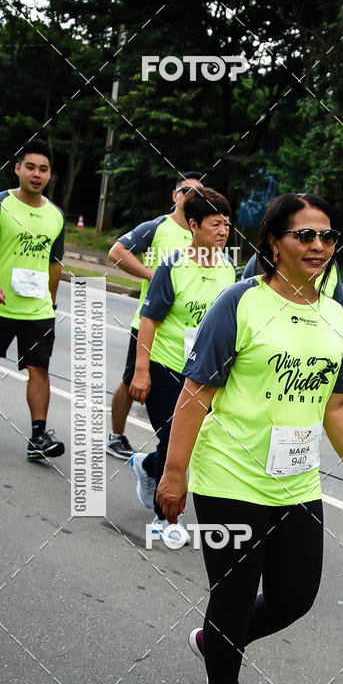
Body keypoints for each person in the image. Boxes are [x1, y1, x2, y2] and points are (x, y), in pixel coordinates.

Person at [156, 193, 343, 684]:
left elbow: (338, 405)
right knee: (232, 600)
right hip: (229, 477)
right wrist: (175, 472)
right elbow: (195, 394)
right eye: (305, 235)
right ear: (274, 243)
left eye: (328, 237)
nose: (318, 246)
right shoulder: (241, 304)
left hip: (297, 482)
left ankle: (215, 643)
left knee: (294, 597)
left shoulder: (335, 313)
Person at [128, 187, 235, 544]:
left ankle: (147, 465)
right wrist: (141, 370)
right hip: (165, 366)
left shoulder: (228, 269)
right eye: (215, 224)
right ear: (194, 225)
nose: (223, 231)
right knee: (175, 439)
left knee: (178, 442)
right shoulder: (173, 266)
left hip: (203, 374)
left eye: (227, 224)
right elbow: (149, 319)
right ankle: (165, 520)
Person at [105, 172, 204, 460]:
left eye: (200, 192)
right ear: (175, 196)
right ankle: (116, 436)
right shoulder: (158, 227)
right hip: (150, 322)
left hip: (189, 329)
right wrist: (154, 275)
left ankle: (173, 449)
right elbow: (117, 251)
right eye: (187, 190)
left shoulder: (205, 232)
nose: (193, 196)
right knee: (131, 379)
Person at [0, 139, 65, 460]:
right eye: (30, 167)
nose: (36, 174)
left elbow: (55, 263)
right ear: (17, 169)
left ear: (50, 174)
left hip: (37, 311)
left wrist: (50, 304)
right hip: (1, 306)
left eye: (43, 169)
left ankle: (38, 437)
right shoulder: (2, 204)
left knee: (39, 369)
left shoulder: (56, 215)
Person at [241, 248, 343, 307]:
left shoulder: (331, 265)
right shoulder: (261, 260)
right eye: (305, 236)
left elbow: (339, 308)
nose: (317, 245)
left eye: (325, 236)